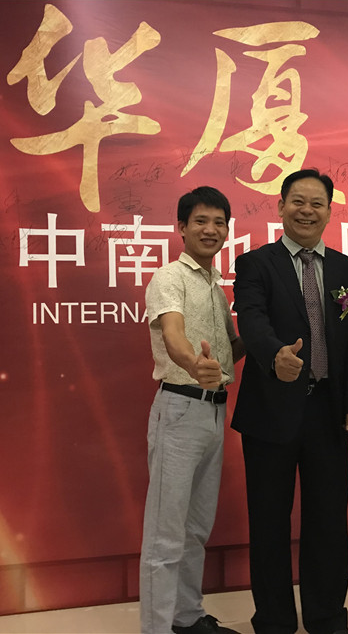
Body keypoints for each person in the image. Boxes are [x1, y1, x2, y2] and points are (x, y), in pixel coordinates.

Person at [232, 169, 348, 634]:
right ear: (280, 206)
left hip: (329, 413)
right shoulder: (255, 264)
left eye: (317, 203)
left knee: (328, 522)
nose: (307, 211)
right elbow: (251, 320)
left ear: (329, 211)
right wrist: (275, 355)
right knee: (268, 524)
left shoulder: (347, 271)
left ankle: (327, 617)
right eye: (298, 201)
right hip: (270, 411)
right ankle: (273, 621)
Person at [140, 186, 245, 634]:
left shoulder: (216, 288)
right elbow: (174, 335)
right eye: (201, 221)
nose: (211, 230)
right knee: (165, 535)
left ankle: (186, 617)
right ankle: (157, 627)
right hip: (180, 410)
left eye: (219, 222)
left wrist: (269, 328)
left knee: (196, 528)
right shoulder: (170, 277)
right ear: (181, 228)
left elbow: (230, 350)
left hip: (215, 412)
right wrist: (193, 365)